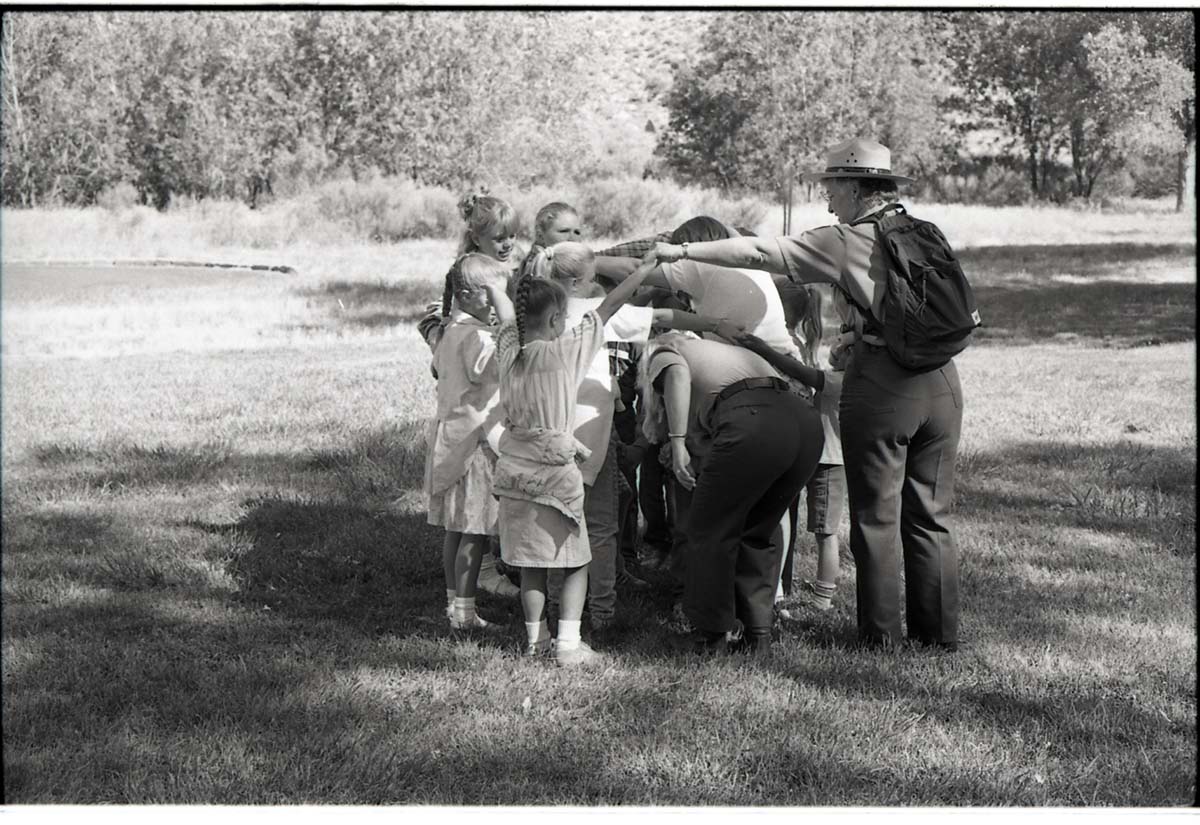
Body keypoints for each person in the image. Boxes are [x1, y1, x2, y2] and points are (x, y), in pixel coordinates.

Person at [645, 138, 964, 650]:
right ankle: (939, 637)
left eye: (833, 186)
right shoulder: (924, 233)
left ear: (857, 187)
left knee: (877, 517)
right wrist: (857, 336)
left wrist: (682, 250)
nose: (828, 198)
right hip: (944, 383)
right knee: (932, 516)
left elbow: (758, 251)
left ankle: (881, 639)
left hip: (885, 388)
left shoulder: (846, 239)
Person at [525, 242, 739, 633]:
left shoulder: (539, 317)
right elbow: (661, 315)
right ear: (577, 282)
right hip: (591, 434)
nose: (598, 287)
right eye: (593, 280)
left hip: (548, 436)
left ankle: (555, 609)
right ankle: (603, 611)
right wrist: (713, 324)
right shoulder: (591, 313)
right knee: (601, 526)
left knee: (557, 526)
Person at [491, 254, 657, 667]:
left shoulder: (508, 353)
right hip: (554, 473)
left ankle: (535, 641)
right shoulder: (565, 353)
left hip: (514, 470)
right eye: (563, 317)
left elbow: (509, 316)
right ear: (554, 322)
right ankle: (568, 643)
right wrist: (644, 270)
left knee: (531, 563)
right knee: (576, 559)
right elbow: (609, 306)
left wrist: (498, 290)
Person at [640, 327, 824, 656]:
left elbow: (677, 375)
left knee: (709, 530)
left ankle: (709, 638)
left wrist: (678, 441)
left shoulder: (668, 350)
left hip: (753, 421)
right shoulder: (724, 358)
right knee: (757, 532)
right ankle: (758, 636)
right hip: (804, 424)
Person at [418, 192, 525, 599]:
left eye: (512, 234)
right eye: (499, 236)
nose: (507, 243)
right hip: (475, 434)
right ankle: (466, 597)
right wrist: (506, 325)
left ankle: (461, 596)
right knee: (472, 522)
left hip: (459, 426)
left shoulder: (479, 300)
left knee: (464, 524)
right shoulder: (471, 306)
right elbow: (502, 361)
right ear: (476, 237)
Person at [424, 254, 512, 630]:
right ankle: (464, 612)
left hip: (451, 438)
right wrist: (509, 321)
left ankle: (453, 604)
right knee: (473, 530)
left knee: (455, 529)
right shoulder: (476, 337)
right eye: (492, 296)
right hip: (473, 445)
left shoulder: (449, 330)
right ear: (467, 294)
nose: (497, 306)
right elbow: (506, 358)